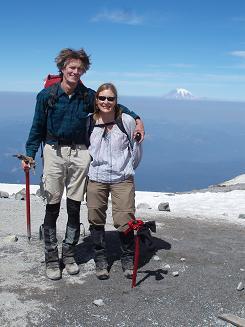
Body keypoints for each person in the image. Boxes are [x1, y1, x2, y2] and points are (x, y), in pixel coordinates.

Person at [23, 48, 145, 281]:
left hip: (81, 152)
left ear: (84, 71)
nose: (75, 72)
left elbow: (117, 107)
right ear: (62, 68)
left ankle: (68, 254)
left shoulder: (88, 95)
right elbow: (36, 127)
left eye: (80, 68)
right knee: (52, 203)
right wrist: (30, 155)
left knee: (74, 204)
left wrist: (137, 120)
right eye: (72, 67)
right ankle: (51, 257)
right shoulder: (46, 96)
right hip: (54, 151)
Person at [86, 83, 142, 280]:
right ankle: (100, 258)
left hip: (122, 178)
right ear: (96, 100)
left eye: (110, 98)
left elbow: (136, 150)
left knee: (125, 219)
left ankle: (127, 257)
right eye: (102, 98)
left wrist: (128, 168)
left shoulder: (126, 121)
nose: (106, 102)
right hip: (97, 177)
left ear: (116, 101)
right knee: (95, 218)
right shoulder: (89, 122)